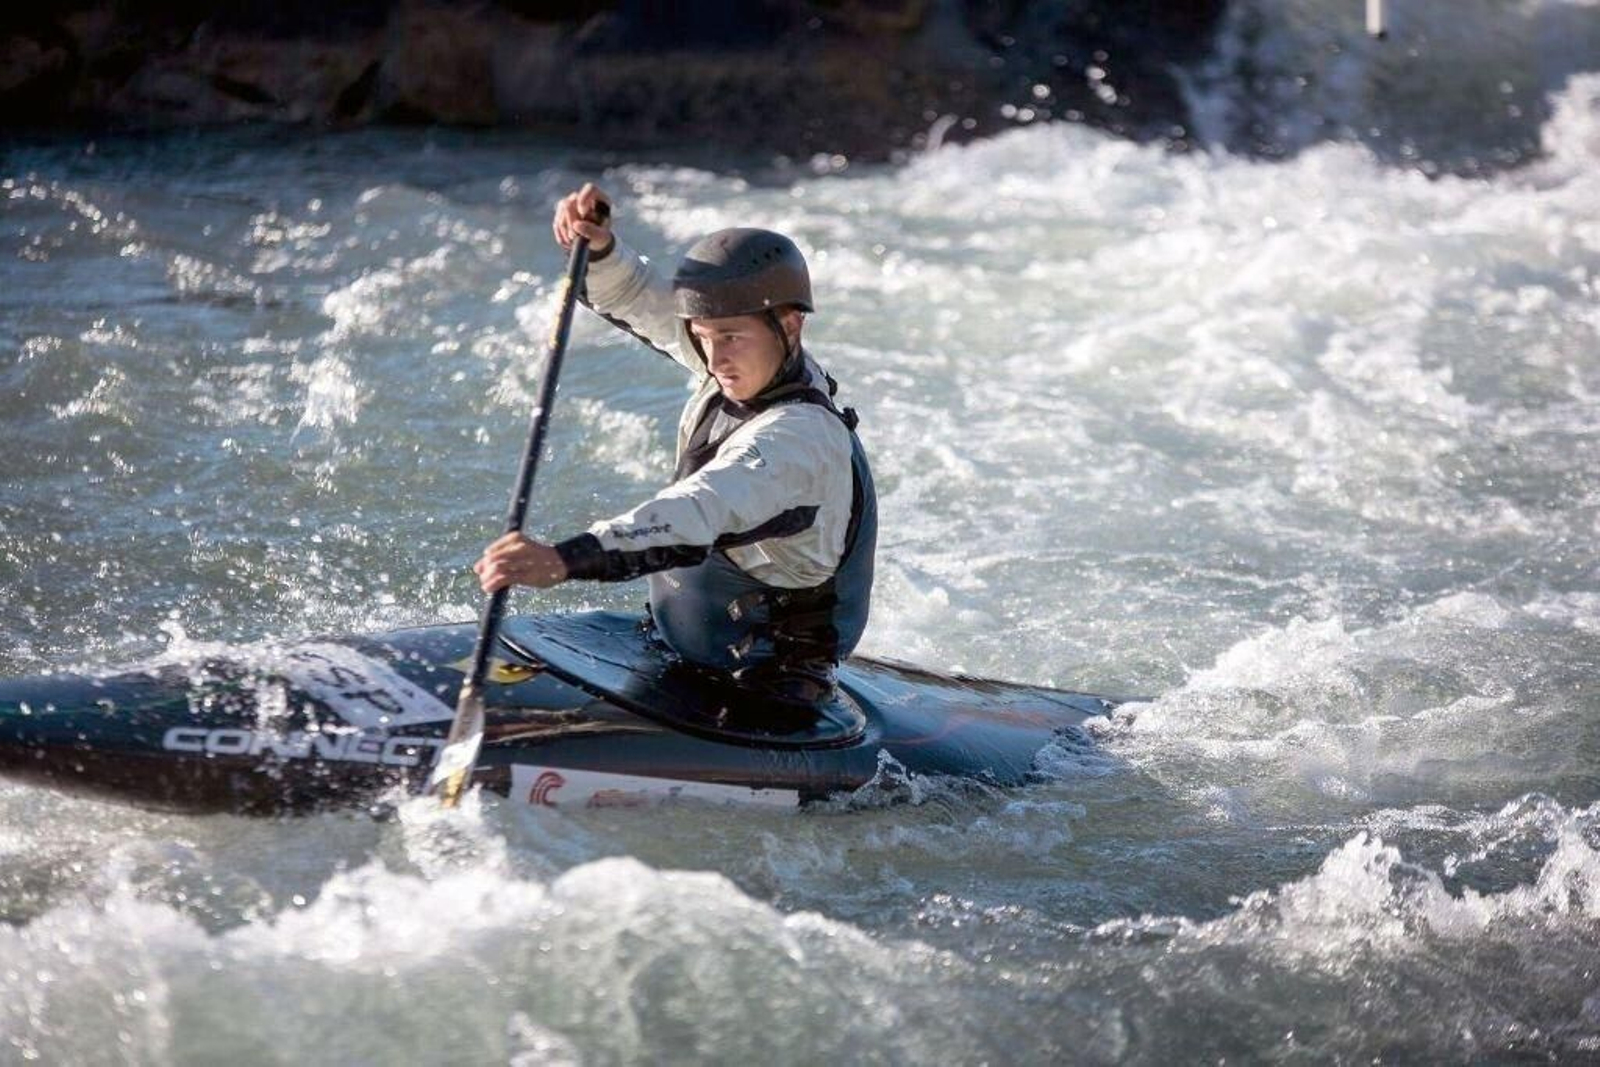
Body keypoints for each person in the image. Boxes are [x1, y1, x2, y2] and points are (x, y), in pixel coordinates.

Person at [473, 183, 876, 709]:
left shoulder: (799, 443)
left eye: (728, 337)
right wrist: (598, 252)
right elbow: (642, 300)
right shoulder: (749, 360)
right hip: (684, 644)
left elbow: (697, 510)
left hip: (768, 684)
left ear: (791, 324)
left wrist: (567, 559)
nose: (712, 359)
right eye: (703, 336)